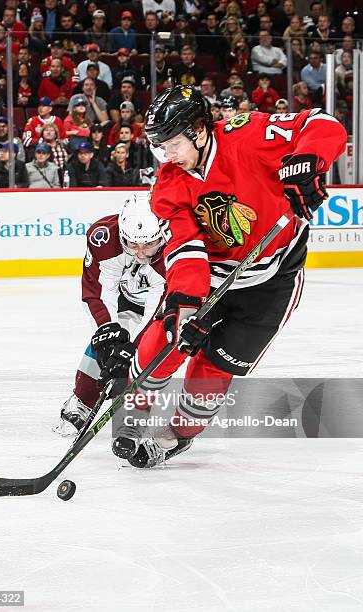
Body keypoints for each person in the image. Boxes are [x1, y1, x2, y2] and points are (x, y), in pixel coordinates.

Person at [101, 85, 346, 469]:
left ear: (199, 130)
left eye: (173, 144)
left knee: (213, 368)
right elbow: (186, 247)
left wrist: (306, 162)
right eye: (161, 146)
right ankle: (134, 408)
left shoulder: (247, 135)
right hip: (212, 275)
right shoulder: (169, 182)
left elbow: (321, 123)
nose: (167, 155)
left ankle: (176, 435)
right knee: (164, 342)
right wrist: (186, 306)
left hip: (272, 277)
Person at [53, 193, 166, 436]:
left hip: (162, 303)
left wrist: (134, 347)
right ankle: (82, 400)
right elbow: (98, 293)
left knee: (153, 351)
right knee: (105, 341)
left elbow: (159, 304)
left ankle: (138, 411)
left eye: (149, 245)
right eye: (133, 245)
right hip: (125, 297)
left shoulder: (175, 244)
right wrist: (111, 335)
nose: (141, 254)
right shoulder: (104, 237)